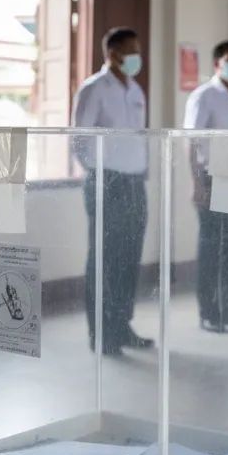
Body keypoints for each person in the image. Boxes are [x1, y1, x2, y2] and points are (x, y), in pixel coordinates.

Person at [71, 27, 151, 356]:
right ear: (112, 54)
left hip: (135, 182)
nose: (136, 57)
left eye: (137, 49)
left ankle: (122, 325)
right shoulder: (94, 89)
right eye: (130, 51)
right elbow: (79, 139)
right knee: (105, 259)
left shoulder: (135, 89)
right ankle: (101, 333)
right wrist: (101, 171)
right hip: (107, 182)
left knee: (129, 258)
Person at [183, 40, 228, 333]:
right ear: (217, 64)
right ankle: (209, 312)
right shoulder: (203, 96)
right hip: (212, 178)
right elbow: (191, 141)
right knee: (213, 247)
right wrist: (197, 184)